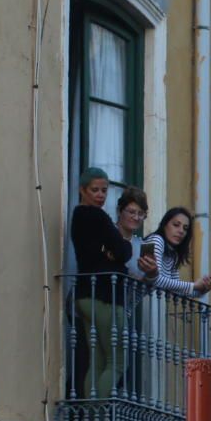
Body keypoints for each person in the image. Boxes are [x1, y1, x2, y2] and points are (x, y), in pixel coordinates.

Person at [70, 167, 133, 397]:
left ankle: (91, 418)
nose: (100, 195)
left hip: (84, 295)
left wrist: (111, 250)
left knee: (97, 361)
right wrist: (117, 247)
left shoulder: (77, 217)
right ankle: (99, 417)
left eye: (104, 190)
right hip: (104, 296)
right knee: (117, 361)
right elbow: (123, 251)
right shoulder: (98, 216)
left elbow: (110, 251)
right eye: (95, 190)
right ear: (82, 190)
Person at [145, 207, 211, 297]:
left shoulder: (173, 255)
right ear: (164, 225)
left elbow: (177, 291)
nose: (181, 231)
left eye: (185, 228)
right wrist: (194, 285)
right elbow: (155, 279)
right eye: (176, 225)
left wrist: (203, 289)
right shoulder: (156, 240)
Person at [114, 186, 159, 282]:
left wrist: (152, 274)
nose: (136, 217)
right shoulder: (106, 234)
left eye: (141, 213)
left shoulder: (142, 246)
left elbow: (141, 292)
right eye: (131, 212)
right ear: (119, 211)